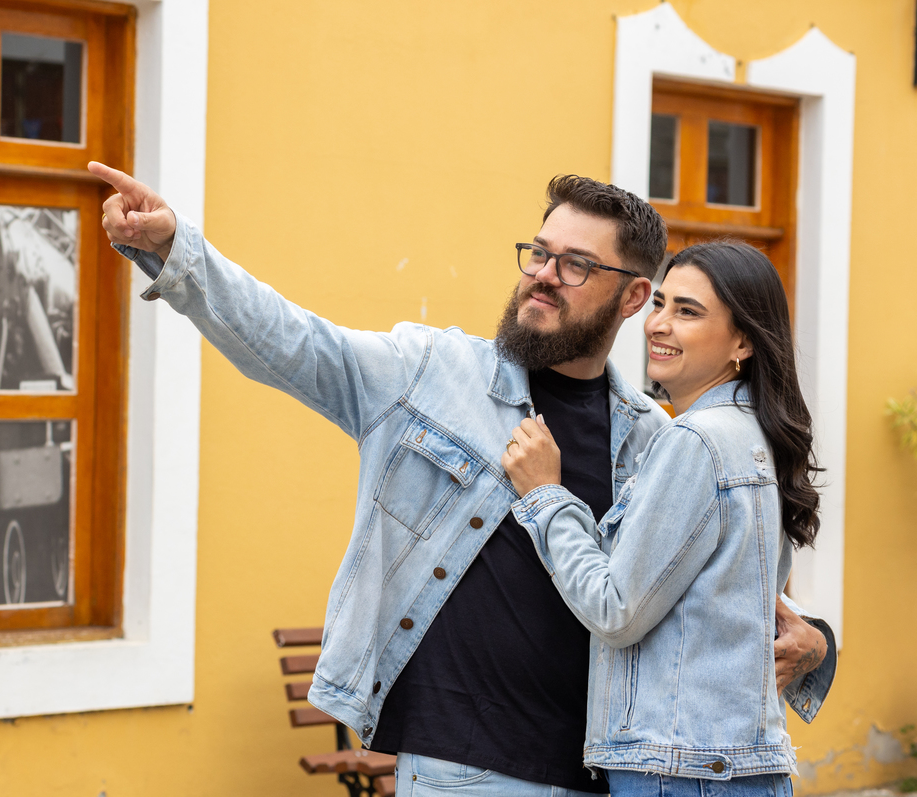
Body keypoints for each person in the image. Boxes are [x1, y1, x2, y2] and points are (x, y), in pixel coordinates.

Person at [86, 160, 835, 796]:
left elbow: (706, 588)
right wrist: (176, 250)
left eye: (575, 265)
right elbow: (292, 342)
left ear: (633, 297)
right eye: (538, 253)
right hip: (464, 770)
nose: (543, 276)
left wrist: (817, 641)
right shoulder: (427, 375)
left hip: (606, 772)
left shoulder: (653, 438)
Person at [502, 241, 825, 797]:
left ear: (743, 342)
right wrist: (818, 640)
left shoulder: (696, 440)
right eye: (660, 304)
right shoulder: (753, 435)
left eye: (688, 311)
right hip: (725, 764)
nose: (659, 324)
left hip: (680, 769)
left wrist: (545, 496)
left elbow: (617, 610)